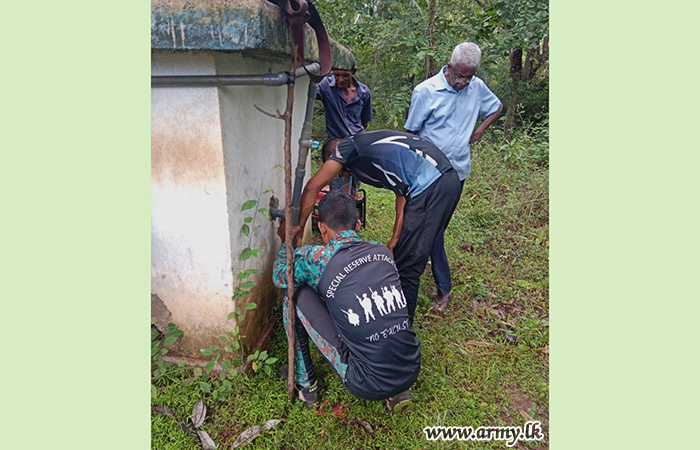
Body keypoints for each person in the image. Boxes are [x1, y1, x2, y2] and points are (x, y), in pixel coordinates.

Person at [291, 130, 462, 324]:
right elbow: (401, 192)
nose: (339, 175)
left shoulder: (348, 146)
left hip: (432, 185)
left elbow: (312, 187)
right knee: (405, 255)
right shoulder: (370, 152)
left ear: (333, 153)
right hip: (444, 181)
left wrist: (298, 227)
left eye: (335, 170)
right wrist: (395, 238)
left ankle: (401, 328)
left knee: (407, 266)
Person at [273, 190, 420, 414]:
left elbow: (280, 276)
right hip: (411, 367)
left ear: (322, 228)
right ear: (358, 225)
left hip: (364, 382)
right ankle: (398, 390)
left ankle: (307, 385)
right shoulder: (382, 251)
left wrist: (286, 243)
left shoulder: (319, 259)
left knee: (293, 292)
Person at [404, 42, 503, 312]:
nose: (462, 82)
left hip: (457, 173)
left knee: (436, 229)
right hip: (427, 175)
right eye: (459, 75)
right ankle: (436, 281)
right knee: (425, 227)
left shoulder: (477, 88)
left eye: (468, 77)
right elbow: (411, 134)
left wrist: (480, 130)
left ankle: (437, 281)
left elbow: (496, 107)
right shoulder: (425, 92)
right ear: (449, 67)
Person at [316, 56, 372, 195]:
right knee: (337, 191)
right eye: (336, 75)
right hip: (336, 148)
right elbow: (307, 90)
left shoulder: (364, 92)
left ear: (354, 71)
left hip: (357, 148)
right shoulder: (325, 86)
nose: (340, 80)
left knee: (352, 191)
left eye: (345, 75)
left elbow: (364, 122)